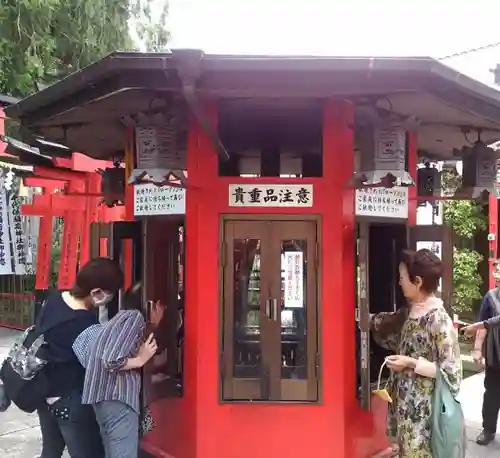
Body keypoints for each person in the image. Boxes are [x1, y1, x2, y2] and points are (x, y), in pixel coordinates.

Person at [370, 249, 461, 457]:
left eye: (402, 277)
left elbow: (452, 373)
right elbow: (390, 327)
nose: (400, 282)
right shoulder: (411, 312)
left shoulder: (439, 320)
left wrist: (410, 363)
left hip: (424, 413)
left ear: (417, 281)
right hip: (406, 407)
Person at [37, 257, 124, 458]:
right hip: (71, 403)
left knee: (50, 451)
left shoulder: (52, 300)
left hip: (45, 395)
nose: (110, 298)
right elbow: (102, 363)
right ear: (96, 292)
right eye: (110, 293)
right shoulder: (83, 322)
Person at [73, 283, 165, 458]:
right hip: (117, 398)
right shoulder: (134, 318)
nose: (164, 309)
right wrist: (140, 360)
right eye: (161, 304)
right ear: (151, 304)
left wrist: (153, 326)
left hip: (103, 397)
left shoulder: (121, 319)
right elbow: (111, 360)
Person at [464, 260, 500, 446]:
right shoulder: (491, 297)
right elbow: (483, 325)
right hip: (495, 355)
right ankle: (488, 429)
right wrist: (477, 349)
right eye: (498, 269)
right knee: (492, 394)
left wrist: (480, 325)